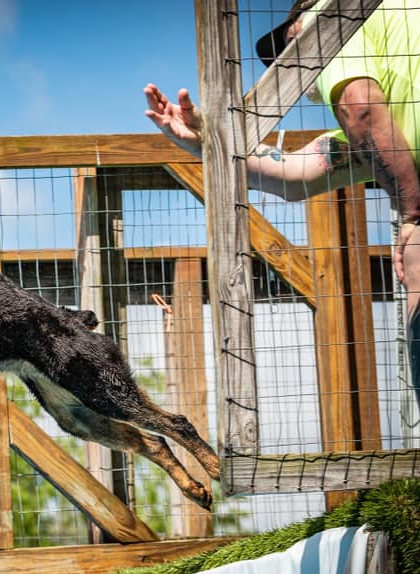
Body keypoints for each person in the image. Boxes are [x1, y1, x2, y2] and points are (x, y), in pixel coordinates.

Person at [144, 0, 420, 404]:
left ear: (300, 29)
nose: (289, 64)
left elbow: (360, 110)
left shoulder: (334, 24)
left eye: (288, 49)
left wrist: (413, 213)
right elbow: (293, 176)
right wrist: (207, 144)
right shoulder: (397, 115)